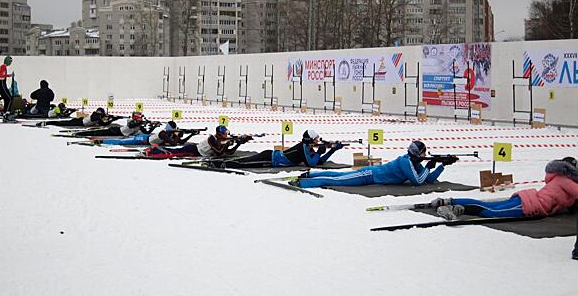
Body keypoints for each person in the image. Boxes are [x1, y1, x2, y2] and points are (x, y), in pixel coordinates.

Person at [432, 157, 578, 221]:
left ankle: (449, 201)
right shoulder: (564, 180)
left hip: (528, 200)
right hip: (530, 204)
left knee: (488, 206)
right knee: (492, 212)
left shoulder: (559, 179)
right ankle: (460, 209)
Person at [292, 140, 455, 188]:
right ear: (417, 153)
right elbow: (418, 181)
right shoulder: (406, 162)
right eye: (423, 153)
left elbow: (428, 179)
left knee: (339, 177)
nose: (425, 156)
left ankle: (309, 175)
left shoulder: (412, 162)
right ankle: (305, 181)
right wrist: (428, 166)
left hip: (370, 176)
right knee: (338, 180)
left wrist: (442, 166)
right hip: (369, 175)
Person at [208, 129, 343, 169]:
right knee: (244, 163)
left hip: (271, 158)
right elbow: (312, 163)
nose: (317, 142)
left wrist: (333, 150)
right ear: (310, 140)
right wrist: (320, 151)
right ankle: (219, 163)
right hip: (270, 158)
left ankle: (219, 163)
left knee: (244, 161)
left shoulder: (307, 148)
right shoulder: (303, 148)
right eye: (315, 140)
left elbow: (319, 161)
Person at [143, 125, 250, 158]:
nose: (226, 135)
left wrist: (238, 144)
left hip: (195, 149)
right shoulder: (212, 139)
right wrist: (227, 144)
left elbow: (228, 152)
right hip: (193, 151)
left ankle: (155, 149)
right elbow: (219, 153)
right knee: (174, 153)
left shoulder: (219, 140)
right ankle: (152, 152)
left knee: (174, 150)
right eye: (225, 133)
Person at [98, 121, 200, 146]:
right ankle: (102, 140)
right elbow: (174, 143)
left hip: (147, 138)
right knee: (121, 142)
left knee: (122, 141)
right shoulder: (163, 134)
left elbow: (180, 142)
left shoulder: (168, 134)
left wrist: (191, 135)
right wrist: (177, 136)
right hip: (142, 139)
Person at [72, 111, 154, 137]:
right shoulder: (131, 121)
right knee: (96, 133)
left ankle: (79, 133)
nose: (141, 119)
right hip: (115, 131)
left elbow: (147, 132)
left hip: (117, 131)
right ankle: (79, 133)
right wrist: (143, 123)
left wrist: (153, 127)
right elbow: (132, 124)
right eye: (140, 117)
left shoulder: (138, 124)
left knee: (98, 132)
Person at [40, 107, 120, 128]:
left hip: (81, 121)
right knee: (61, 123)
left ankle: (47, 123)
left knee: (63, 123)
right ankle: (47, 123)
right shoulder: (95, 115)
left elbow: (103, 124)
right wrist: (110, 118)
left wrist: (111, 120)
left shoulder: (97, 116)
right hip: (79, 122)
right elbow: (100, 120)